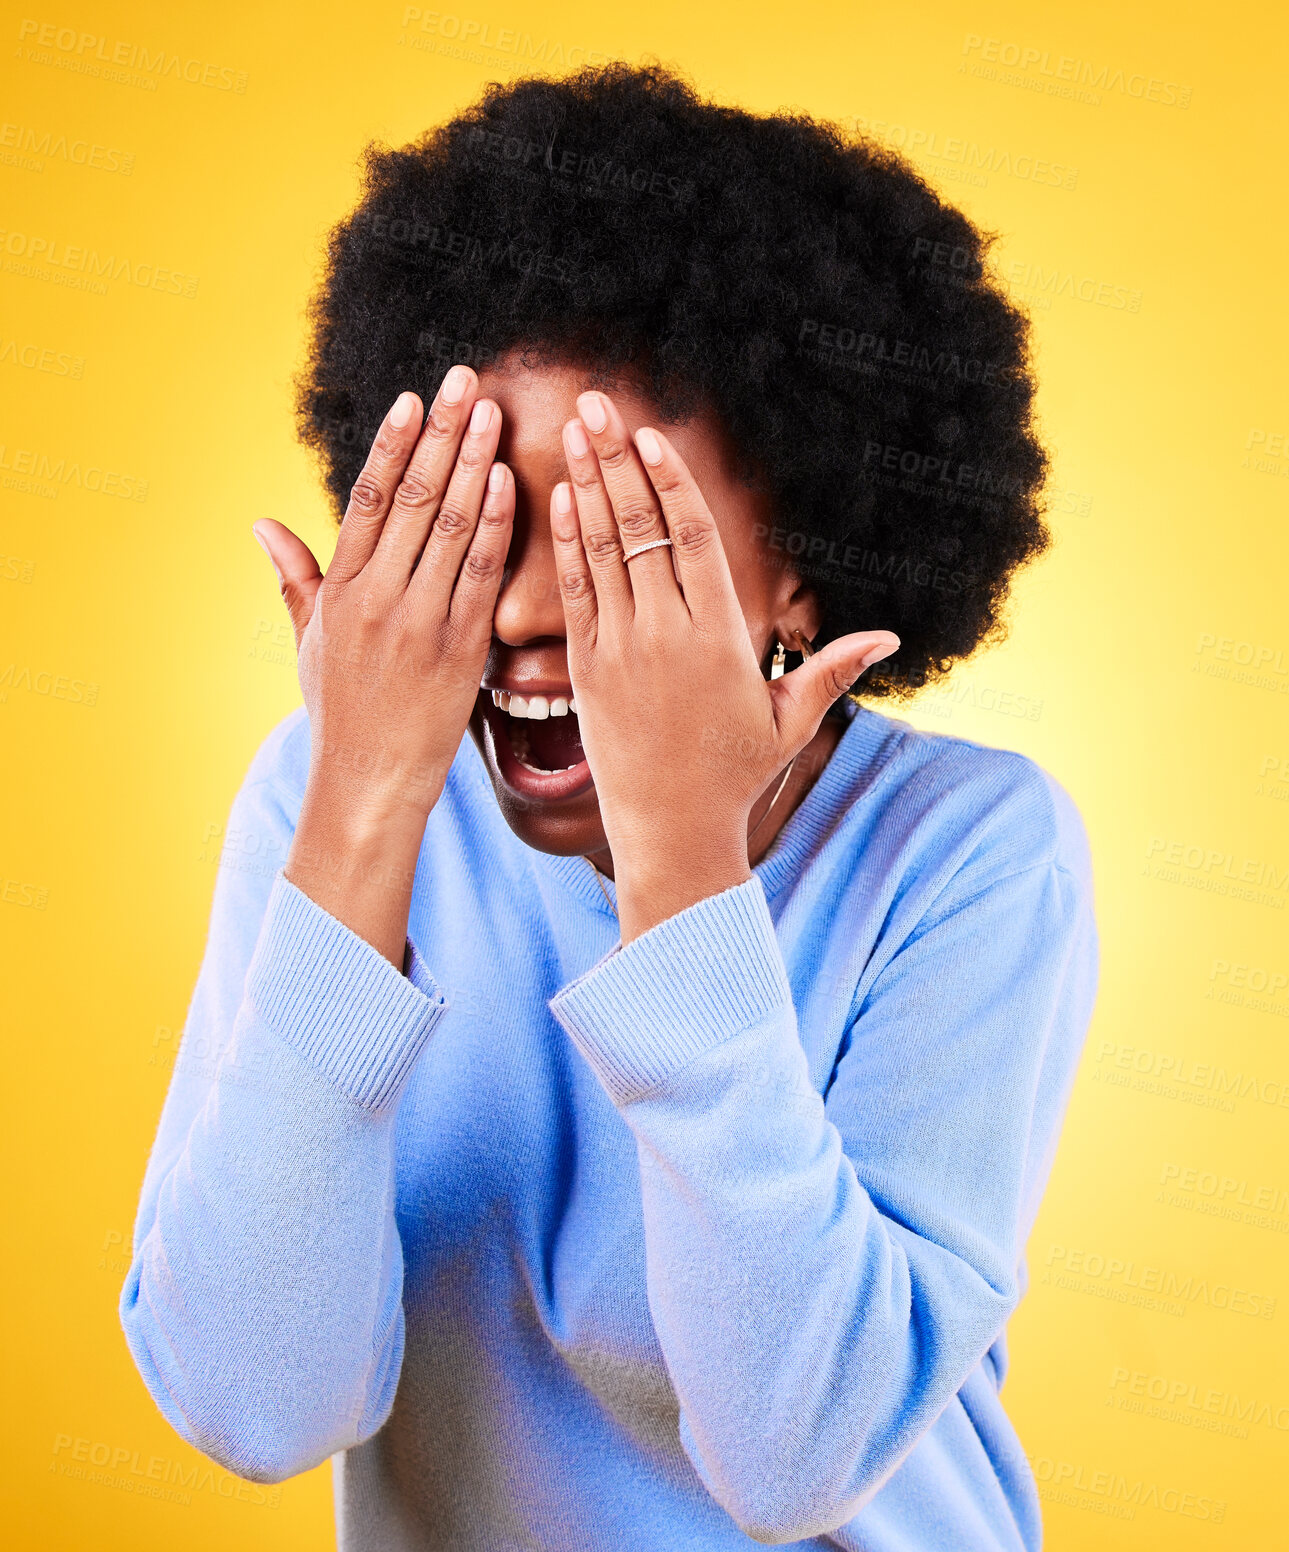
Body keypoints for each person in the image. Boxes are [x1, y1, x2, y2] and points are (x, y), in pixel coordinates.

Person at [121, 62, 1098, 1551]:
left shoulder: (966, 853)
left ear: (807, 572)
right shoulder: (328, 800)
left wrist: (681, 867)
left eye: (616, 545)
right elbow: (256, 1408)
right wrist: (361, 806)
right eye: (478, 524)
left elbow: (792, 1458)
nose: (514, 610)